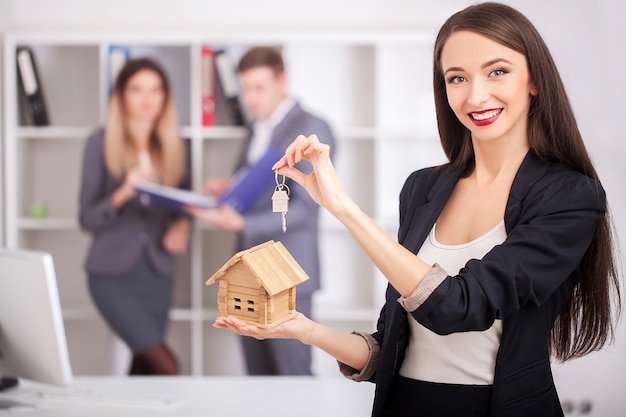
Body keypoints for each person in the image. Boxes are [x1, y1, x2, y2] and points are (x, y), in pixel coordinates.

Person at [213, 3, 622, 416]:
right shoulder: (424, 188)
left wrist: (343, 209)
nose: (476, 95)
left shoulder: (570, 197)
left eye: (497, 71)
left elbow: (456, 306)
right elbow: (390, 350)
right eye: (457, 78)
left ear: (534, 80)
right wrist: (306, 331)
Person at [188, 46, 336, 375]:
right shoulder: (257, 127)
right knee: (258, 379)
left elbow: (305, 208)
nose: (250, 98)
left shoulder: (313, 129)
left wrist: (241, 222)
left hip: (287, 272)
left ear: (282, 80)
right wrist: (229, 190)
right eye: (244, 89)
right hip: (250, 272)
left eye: (259, 87)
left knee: (292, 376)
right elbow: (264, 189)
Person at [79, 58, 191, 375]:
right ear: (121, 95)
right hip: (111, 275)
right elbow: (87, 219)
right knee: (167, 366)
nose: (147, 99)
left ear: (165, 97)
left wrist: (182, 225)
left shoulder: (176, 145)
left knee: (144, 368)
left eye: (156, 90)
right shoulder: (99, 143)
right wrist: (124, 191)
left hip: (158, 271)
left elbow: (184, 205)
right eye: (137, 89)